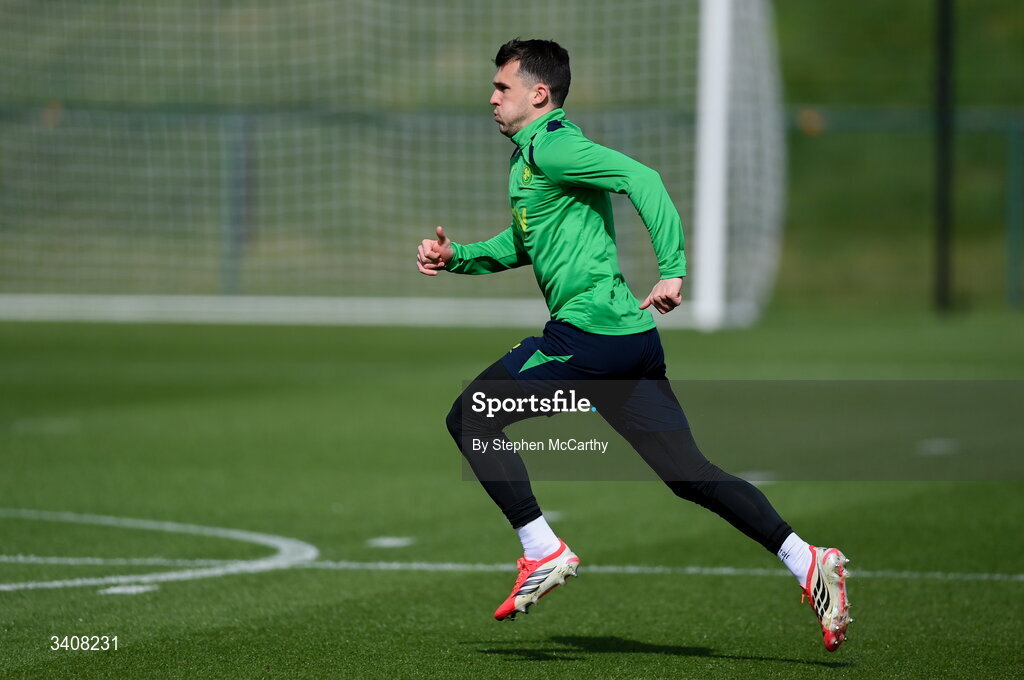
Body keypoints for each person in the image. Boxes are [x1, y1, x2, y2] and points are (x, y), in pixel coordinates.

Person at [416, 38, 851, 651]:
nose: (491, 97)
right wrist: (455, 256)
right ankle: (807, 559)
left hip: (588, 340)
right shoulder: (530, 159)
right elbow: (523, 244)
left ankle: (541, 548)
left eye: (502, 88)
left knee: (472, 414)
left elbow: (640, 177)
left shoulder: (556, 145)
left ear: (538, 95)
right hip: (629, 341)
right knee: (688, 474)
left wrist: (673, 267)